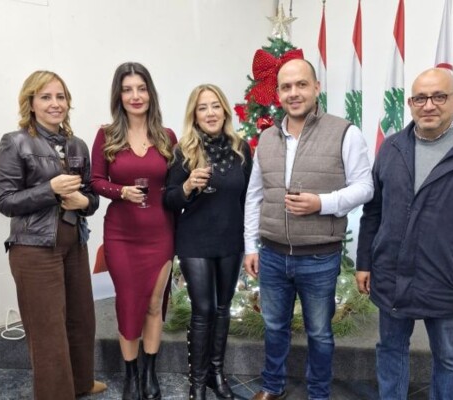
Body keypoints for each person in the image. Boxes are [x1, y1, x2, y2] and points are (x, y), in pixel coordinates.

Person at [356, 67, 453, 399]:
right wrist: (365, 261)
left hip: (448, 281)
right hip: (391, 276)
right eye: (420, 98)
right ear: (410, 103)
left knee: (450, 359)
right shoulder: (393, 147)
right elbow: (374, 211)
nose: (429, 105)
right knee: (390, 350)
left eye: (439, 96)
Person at [244, 58, 374, 400]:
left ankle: (318, 393)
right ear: (278, 94)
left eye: (301, 84)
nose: (294, 93)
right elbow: (254, 195)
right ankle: (272, 386)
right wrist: (251, 246)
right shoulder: (267, 137)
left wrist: (322, 203)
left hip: (319, 257)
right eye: (286, 87)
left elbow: (365, 187)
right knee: (274, 327)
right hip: (272, 254)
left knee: (319, 333)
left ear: (316, 87)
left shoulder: (345, 132)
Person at [0, 70, 106, 399]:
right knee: (48, 332)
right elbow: (6, 201)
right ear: (30, 103)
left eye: (61, 97)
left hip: (74, 244)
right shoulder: (15, 142)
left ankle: (81, 384)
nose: (55, 103)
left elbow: (91, 197)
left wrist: (85, 202)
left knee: (81, 320)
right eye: (45, 97)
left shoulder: (77, 144)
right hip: (33, 249)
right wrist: (50, 190)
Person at [91, 62, 176, 400]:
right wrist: (121, 191)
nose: (135, 96)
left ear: (150, 93)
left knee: (154, 304)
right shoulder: (107, 135)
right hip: (122, 234)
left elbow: (175, 186)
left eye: (141, 88)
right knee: (128, 303)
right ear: (119, 96)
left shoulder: (166, 137)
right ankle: (130, 375)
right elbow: (96, 181)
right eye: (127, 90)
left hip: (161, 232)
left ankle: (150, 373)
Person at [163, 84, 252, 400]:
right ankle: (197, 383)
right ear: (194, 115)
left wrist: (250, 242)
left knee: (223, 308)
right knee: (203, 309)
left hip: (230, 239)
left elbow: (248, 199)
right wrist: (187, 186)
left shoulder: (241, 149)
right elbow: (169, 200)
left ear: (225, 111)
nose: (210, 113)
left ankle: (216, 373)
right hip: (195, 240)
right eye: (203, 108)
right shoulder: (183, 150)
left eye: (215, 106)